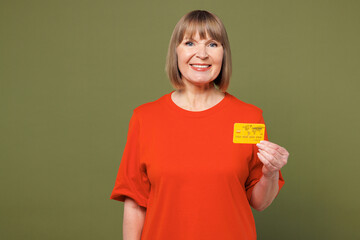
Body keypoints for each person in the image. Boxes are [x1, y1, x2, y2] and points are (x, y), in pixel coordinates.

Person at [110, 10, 289, 240]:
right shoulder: (145, 118)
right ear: (176, 51)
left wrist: (270, 173)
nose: (201, 54)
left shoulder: (249, 117)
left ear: (224, 54)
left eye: (213, 44)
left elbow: (259, 202)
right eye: (190, 42)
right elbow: (135, 204)